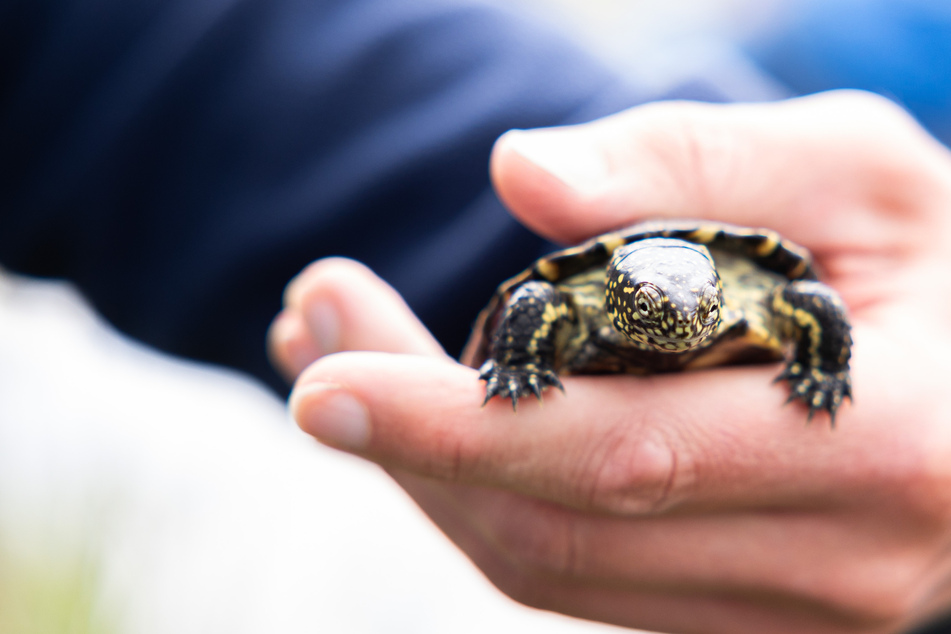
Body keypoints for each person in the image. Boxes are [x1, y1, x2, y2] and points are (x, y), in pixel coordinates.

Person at [275, 90, 951, 634]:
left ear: (713, 287)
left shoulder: (757, 289)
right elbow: (533, 297)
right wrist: (515, 364)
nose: (678, 308)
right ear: (623, 292)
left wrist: (826, 370)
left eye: (694, 296)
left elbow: (816, 300)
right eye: (653, 298)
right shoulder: (574, 301)